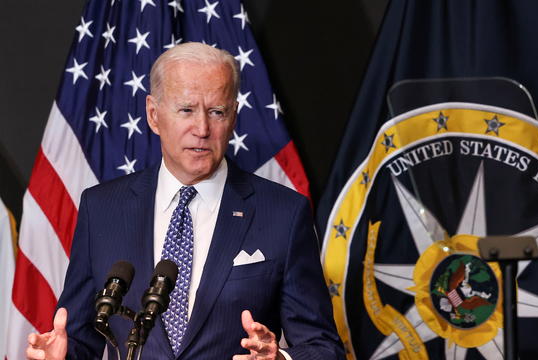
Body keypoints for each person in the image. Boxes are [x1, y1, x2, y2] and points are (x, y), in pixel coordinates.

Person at [26, 42, 345, 360]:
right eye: (187, 110)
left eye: (217, 112)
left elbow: (325, 349)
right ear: (153, 115)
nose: (202, 129)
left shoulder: (284, 214)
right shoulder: (102, 210)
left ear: (233, 117)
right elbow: (80, 339)